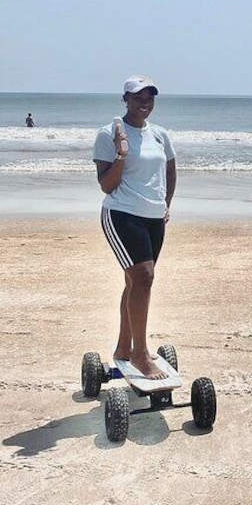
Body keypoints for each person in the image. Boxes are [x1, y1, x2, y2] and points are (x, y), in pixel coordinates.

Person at [92, 75, 177, 378]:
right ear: (125, 99)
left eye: (149, 97)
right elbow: (106, 185)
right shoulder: (109, 134)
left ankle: (123, 348)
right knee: (144, 276)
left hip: (154, 217)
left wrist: (166, 203)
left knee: (135, 281)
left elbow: (169, 170)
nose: (145, 103)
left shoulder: (160, 135)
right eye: (138, 97)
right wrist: (121, 153)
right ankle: (140, 353)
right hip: (122, 214)